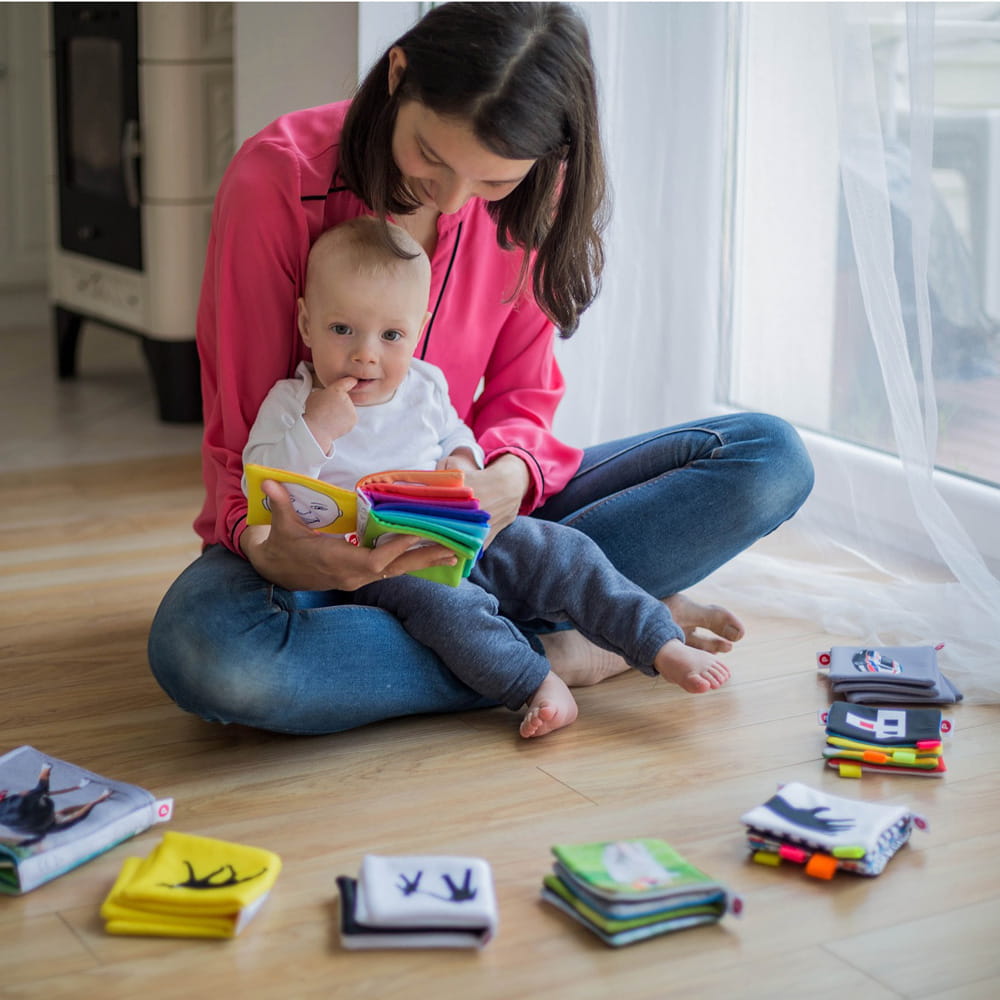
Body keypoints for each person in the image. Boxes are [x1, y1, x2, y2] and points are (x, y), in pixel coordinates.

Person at [148, 2, 814, 736]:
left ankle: (534, 627)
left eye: (491, 183)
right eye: (432, 156)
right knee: (211, 656)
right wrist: (277, 554)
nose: (455, 198)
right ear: (398, 75)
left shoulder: (533, 190)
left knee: (769, 457)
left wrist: (503, 479)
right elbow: (240, 439)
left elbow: (523, 395)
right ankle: (571, 644)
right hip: (318, 550)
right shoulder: (278, 180)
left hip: (476, 529)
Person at [243, 217, 732, 738]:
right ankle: (534, 680)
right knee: (450, 609)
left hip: (459, 529)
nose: (366, 353)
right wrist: (315, 429)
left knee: (562, 551)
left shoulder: (424, 385)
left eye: (391, 335)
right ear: (306, 323)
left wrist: (462, 462)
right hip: (384, 564)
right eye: (342, 330)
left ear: (419, 328)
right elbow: (267, 485)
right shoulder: (291, 402)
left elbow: (458, 432)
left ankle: (659, 641)